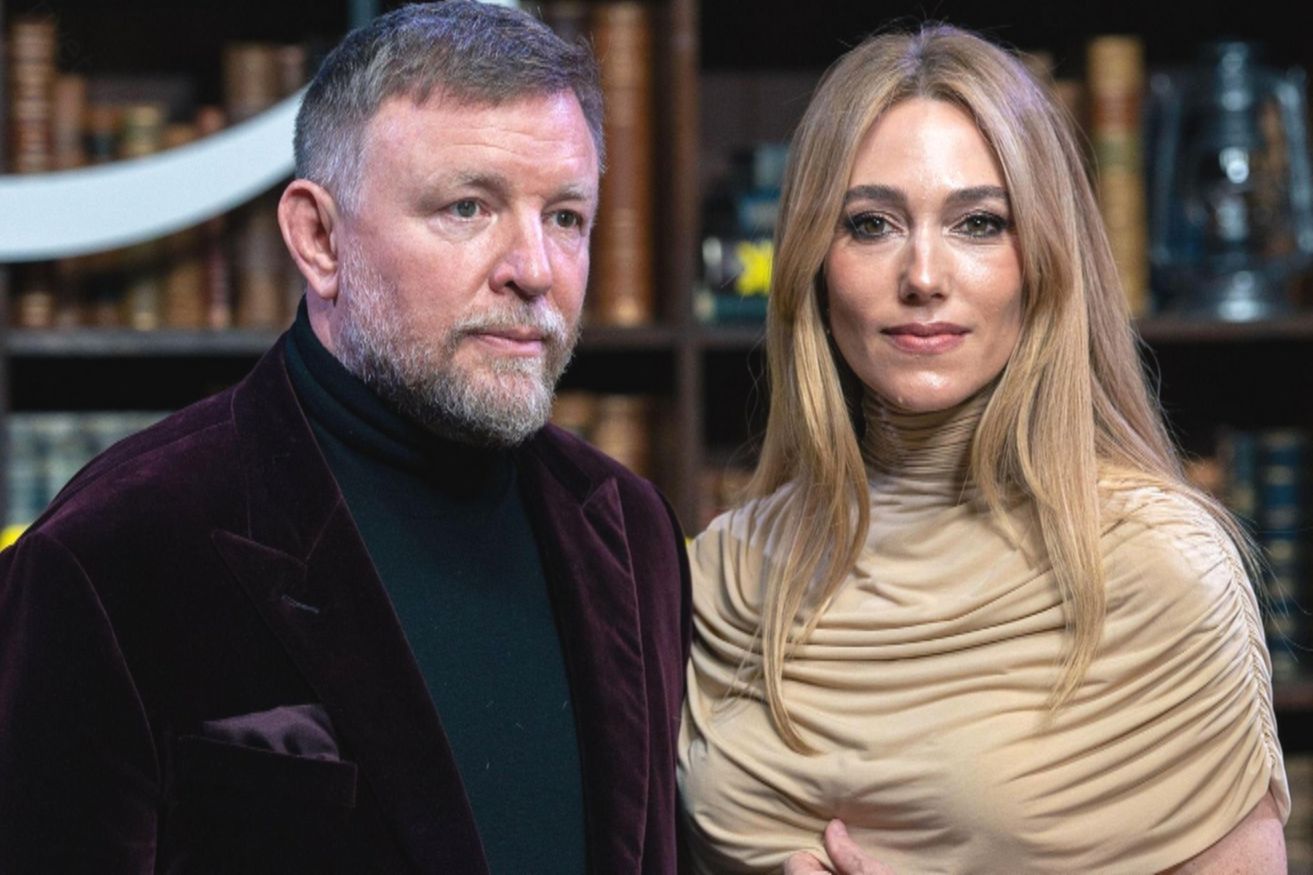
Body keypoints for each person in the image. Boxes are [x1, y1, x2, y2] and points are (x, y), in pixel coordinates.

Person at [0, 3, 689, 872]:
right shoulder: (108, 556)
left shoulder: (631, 527)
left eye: (565, 217)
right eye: (468, 207)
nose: (535, 270)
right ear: (319, 238)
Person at [679, 25, 1289, 874]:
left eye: (977, 223)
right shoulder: (721, 572)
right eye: (870, 223)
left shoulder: (1161, 567)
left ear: (1045, 258)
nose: (923, 276)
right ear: (812, 259)